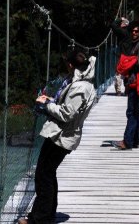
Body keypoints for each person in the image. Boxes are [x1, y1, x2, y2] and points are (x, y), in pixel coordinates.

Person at [18, 50, 97, 224]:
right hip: (60, 133)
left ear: (70, 65)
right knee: (47, 173)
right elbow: (67, 106)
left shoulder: (80, 86)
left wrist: (46, 105)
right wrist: (52, 100)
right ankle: (46, 215)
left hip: (62, 136)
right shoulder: (81, 82)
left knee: (43, 175)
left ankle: (40, 219)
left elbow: (67, 114)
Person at [113, 22, 139, 150]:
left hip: (136, 82)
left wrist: (127, 65)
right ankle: (136, 141)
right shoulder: (136, 44)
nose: (134, 33)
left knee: (131, 112)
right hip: (133, 81)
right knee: (135, 111)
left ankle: (127, 142)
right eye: (132, 31)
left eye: (136, 31)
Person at [110, 17, 132, 95]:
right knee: (127, 73)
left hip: (122, 55)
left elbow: (113, 25)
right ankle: (127, 90)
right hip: (129, 55)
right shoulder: (130, 32)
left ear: (124, 24)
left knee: (118, 73)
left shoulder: (122, 32)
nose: (120, 24)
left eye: (121, 23)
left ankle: (118, 91)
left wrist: (120, 19)